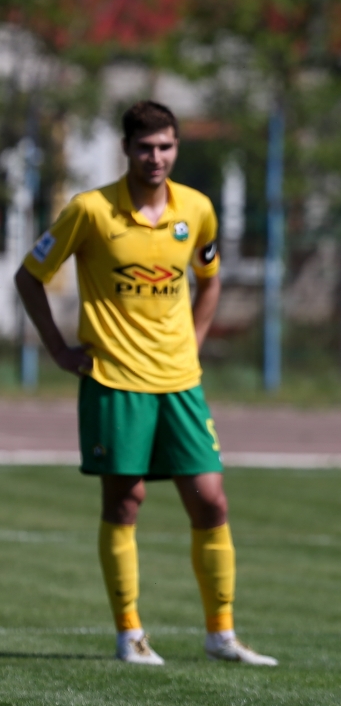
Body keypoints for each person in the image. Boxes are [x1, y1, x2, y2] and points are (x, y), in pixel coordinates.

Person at [15, 101, 274, 667]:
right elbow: (29, 277)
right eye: (145, 147)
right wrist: (59, 349)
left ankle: (221, 634)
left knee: (211, 500)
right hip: (113, 379)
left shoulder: (197, 210)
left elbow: (209, 277)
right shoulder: (90, 211)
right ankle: (130, 632)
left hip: (181, 381)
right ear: (126, 149)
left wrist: (195, 339)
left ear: (176, 148)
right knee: (125, 501)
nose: (155, 157)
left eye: (166, 147)